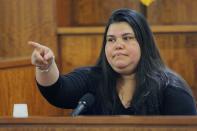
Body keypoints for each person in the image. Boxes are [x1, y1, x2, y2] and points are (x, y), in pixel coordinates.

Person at [29, 8, 197, 115]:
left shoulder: (171, 89)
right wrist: (45, 66)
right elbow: (58, 91)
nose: (118, 45)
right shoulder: (92, 79)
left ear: (144, 44)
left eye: (127, 38)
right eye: (111, 40)